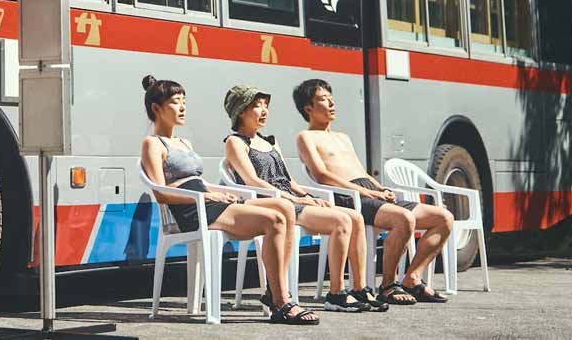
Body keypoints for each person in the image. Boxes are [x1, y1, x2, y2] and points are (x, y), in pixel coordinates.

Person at [139, 75, 318, 325]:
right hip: (192, 209)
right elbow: (160, 192)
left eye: (184, 101)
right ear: (156, 108)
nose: (182, 107)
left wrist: (217, 192)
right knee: (274, 219)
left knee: (285, 207)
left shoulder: (183, 142)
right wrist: (208, 195)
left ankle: (276, 291)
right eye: (175, 102)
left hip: (209, 201)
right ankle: (281, 299)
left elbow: (198, 180)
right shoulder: (152, 144)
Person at [222, 85, 388, 313]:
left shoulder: (269, 141)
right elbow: (252, 181)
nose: (263, 111)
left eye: (265, 105)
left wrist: (308, 196)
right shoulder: (235, 142)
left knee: (355, 217)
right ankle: (336, 294)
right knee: (342, 222)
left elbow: (288, 180)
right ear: (241, 111)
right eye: (256, 106)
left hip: (290, 199)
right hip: (271, 203)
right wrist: (294, 199)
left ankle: (359, 289)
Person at [293, 78, 453, 305]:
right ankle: (388, 285)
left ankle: (412, 279)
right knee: (404, 219)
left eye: (331, 98)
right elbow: (322, 175)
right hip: (346, 196)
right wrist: (367, 193)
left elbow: (361, 171)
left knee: (443, 218)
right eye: (323, 99)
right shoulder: (306, 137)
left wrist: (380, 188)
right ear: (308, 108)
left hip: (368, 192)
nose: (331, 103)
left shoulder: (343, 137)